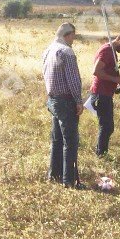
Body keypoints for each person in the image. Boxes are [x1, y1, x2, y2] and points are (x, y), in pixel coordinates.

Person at [42, 22, 83, 188]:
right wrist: (79, 101)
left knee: (57, 139)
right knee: (70, 142)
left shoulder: (48, 50)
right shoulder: (67, 52)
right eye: (73, 35)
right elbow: (73, 81)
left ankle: (55, 175)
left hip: (53, 100)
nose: (74, 39)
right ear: (68, 34)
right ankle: (69, 181)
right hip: (66, 101)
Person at [88, 32, 120, 156]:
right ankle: (101, 154)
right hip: (101, 94)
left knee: (107, 126)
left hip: (106, 93)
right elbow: (96, 71)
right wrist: (115, 80)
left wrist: (115, 85)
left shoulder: (112, 52)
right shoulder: (107, 51)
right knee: (107, 126)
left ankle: (101, 152)